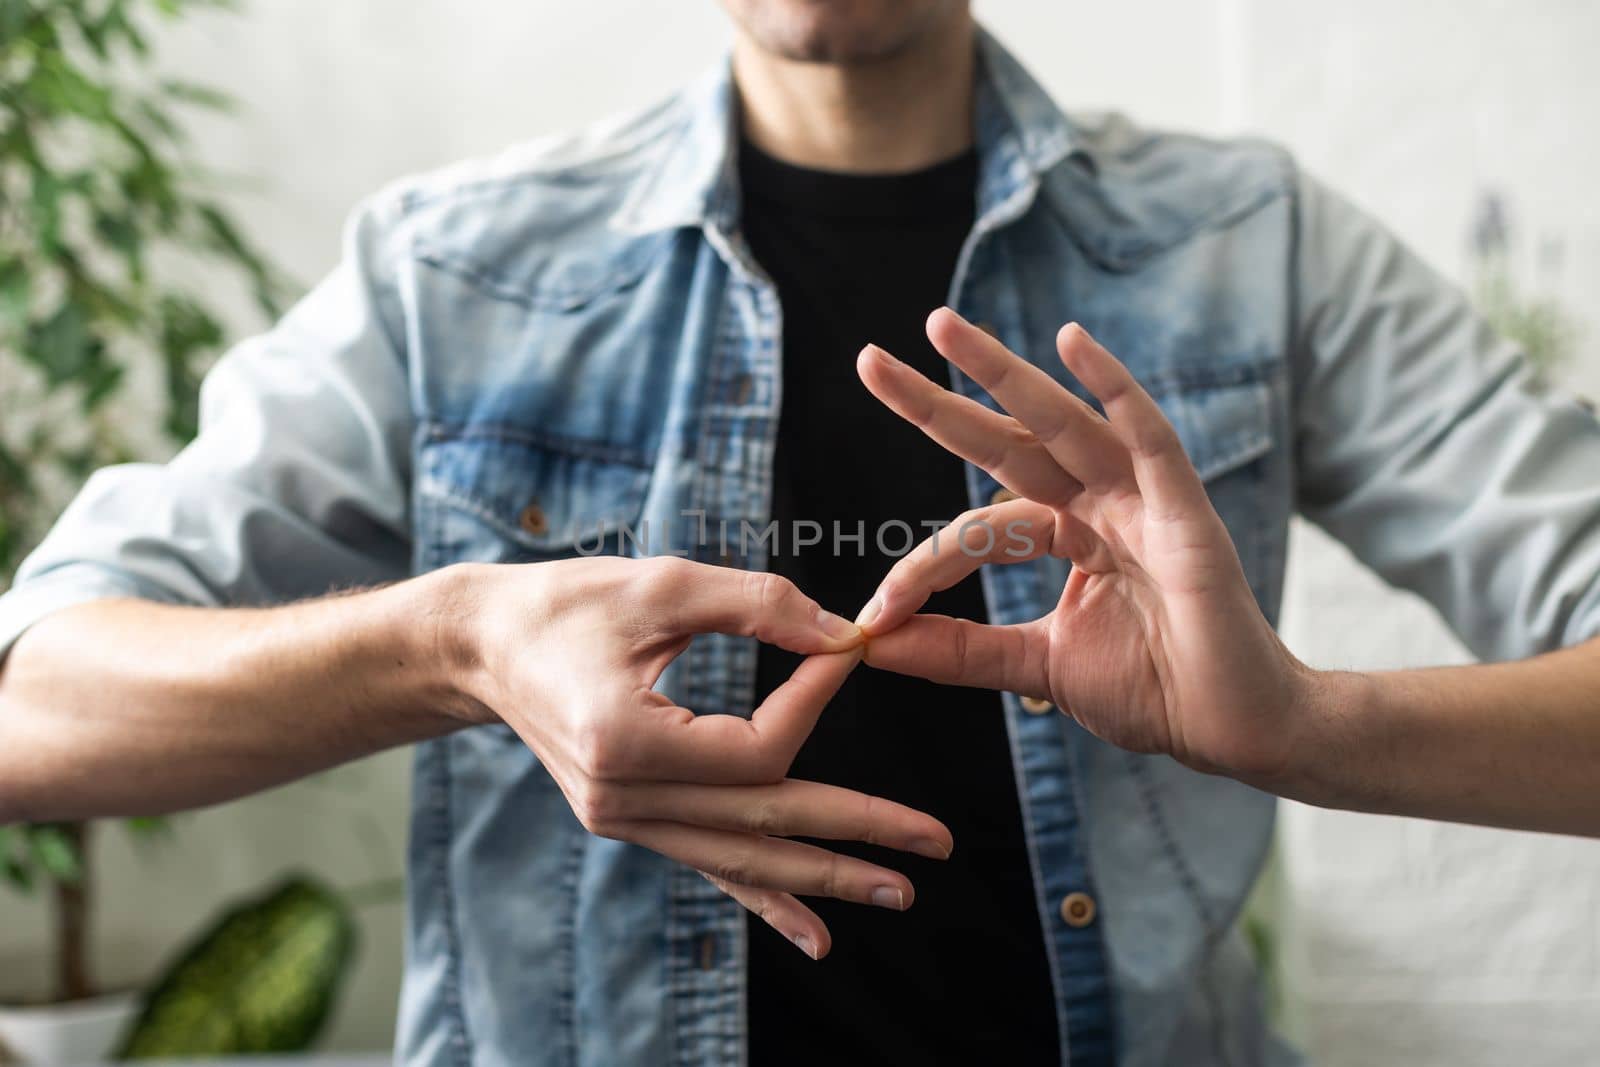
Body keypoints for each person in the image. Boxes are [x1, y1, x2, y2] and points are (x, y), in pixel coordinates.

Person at [2, 1, 1598, 1063]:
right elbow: (32, 704)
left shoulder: (1258, 244)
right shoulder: (454, 269)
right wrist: (451, 645)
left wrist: (1309, 725)